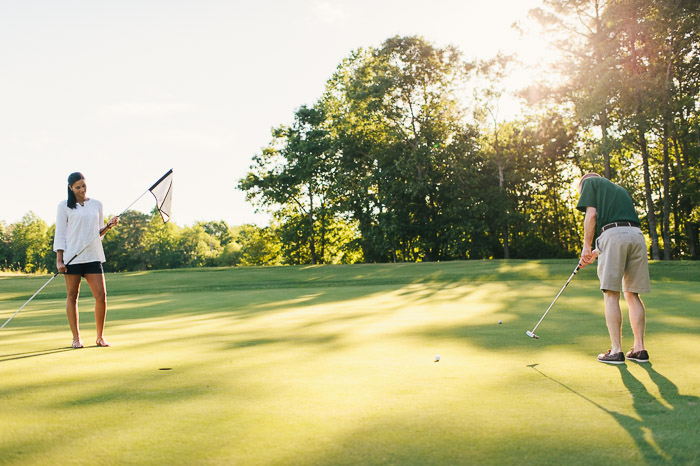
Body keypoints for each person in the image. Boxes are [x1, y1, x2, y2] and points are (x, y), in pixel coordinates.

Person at [577, 173, 651, 364]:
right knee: (632, 294)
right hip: (636, 236)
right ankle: (639, 349)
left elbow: (592, 215)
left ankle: (616, 351)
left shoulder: (589, 182)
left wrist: (586, 245)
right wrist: (595, 252)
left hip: (614, 236)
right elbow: (620, 227)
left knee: (611, 293)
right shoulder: (619, 191)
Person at [54, 172, 119, 349]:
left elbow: (97, 234)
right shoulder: (64, 207)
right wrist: (59, 260)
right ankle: (76, 338)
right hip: (72, 258)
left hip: (92, 256)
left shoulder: (97, 205)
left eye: (84, 185)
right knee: (72, 296)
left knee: (101, 296)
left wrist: (108, 227)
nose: (82, 190)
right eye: (78, 187)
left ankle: (100, 337)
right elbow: (60, 234)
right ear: (70, 188)